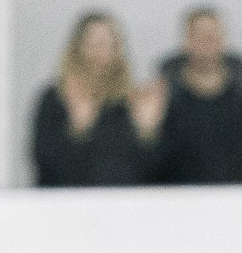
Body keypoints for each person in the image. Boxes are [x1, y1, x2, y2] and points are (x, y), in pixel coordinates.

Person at [32, 12, 161, 187]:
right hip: (69, 208)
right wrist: (77, 130)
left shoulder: (131, 103)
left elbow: (154, 175)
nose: (98, 51)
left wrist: (147, 133)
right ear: (76, 49)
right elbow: (46, 168)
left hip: (123, 207)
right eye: (91, 43)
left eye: (106, 43)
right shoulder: (55, 99)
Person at [152, 6, 242, 185]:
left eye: (213, 34)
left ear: (224, 39)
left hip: (240, 203)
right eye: (198, 35)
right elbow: (150, 166)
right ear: (185, 41)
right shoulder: (164, 98)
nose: (206, 42)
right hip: (178, 204)